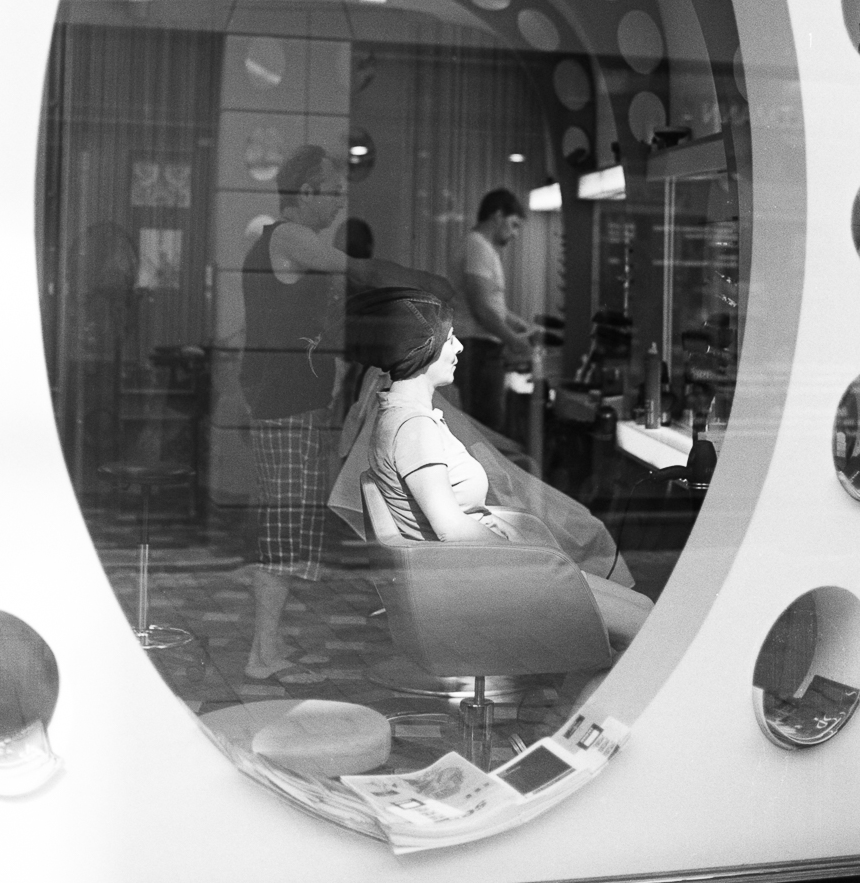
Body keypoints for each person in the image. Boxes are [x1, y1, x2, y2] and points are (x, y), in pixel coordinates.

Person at [240, 145, 451, 679]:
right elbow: (358, 271)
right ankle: (261, 654)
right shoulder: (286, 237)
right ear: (306, 192)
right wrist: (426, 286)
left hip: (299, 401)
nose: (338, 204)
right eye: (333, 192)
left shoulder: (293, 244)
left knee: (290, 520)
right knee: (284, 521)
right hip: (284, 404)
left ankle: (270, 647)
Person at [347, 286, 653, 652]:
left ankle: (587, 704)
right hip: (479, 584)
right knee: (646, 632)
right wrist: (527, 559)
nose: (460, 347)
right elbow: (451, 528)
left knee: (645, 613)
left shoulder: (403, 416)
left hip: (483, 574)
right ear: (423, 349)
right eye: (449, 339)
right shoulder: (413, 428)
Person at [452, 188, 534, 432]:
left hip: (480, 349)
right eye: (514, 224)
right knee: (486, 429)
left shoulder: (479, 247)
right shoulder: (477, 247)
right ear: (498, 216)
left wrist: (519, 324)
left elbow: (491, 303)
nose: (515, 234)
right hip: (479, 351)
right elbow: (481, 308)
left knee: (484, 426)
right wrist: (515, 341)